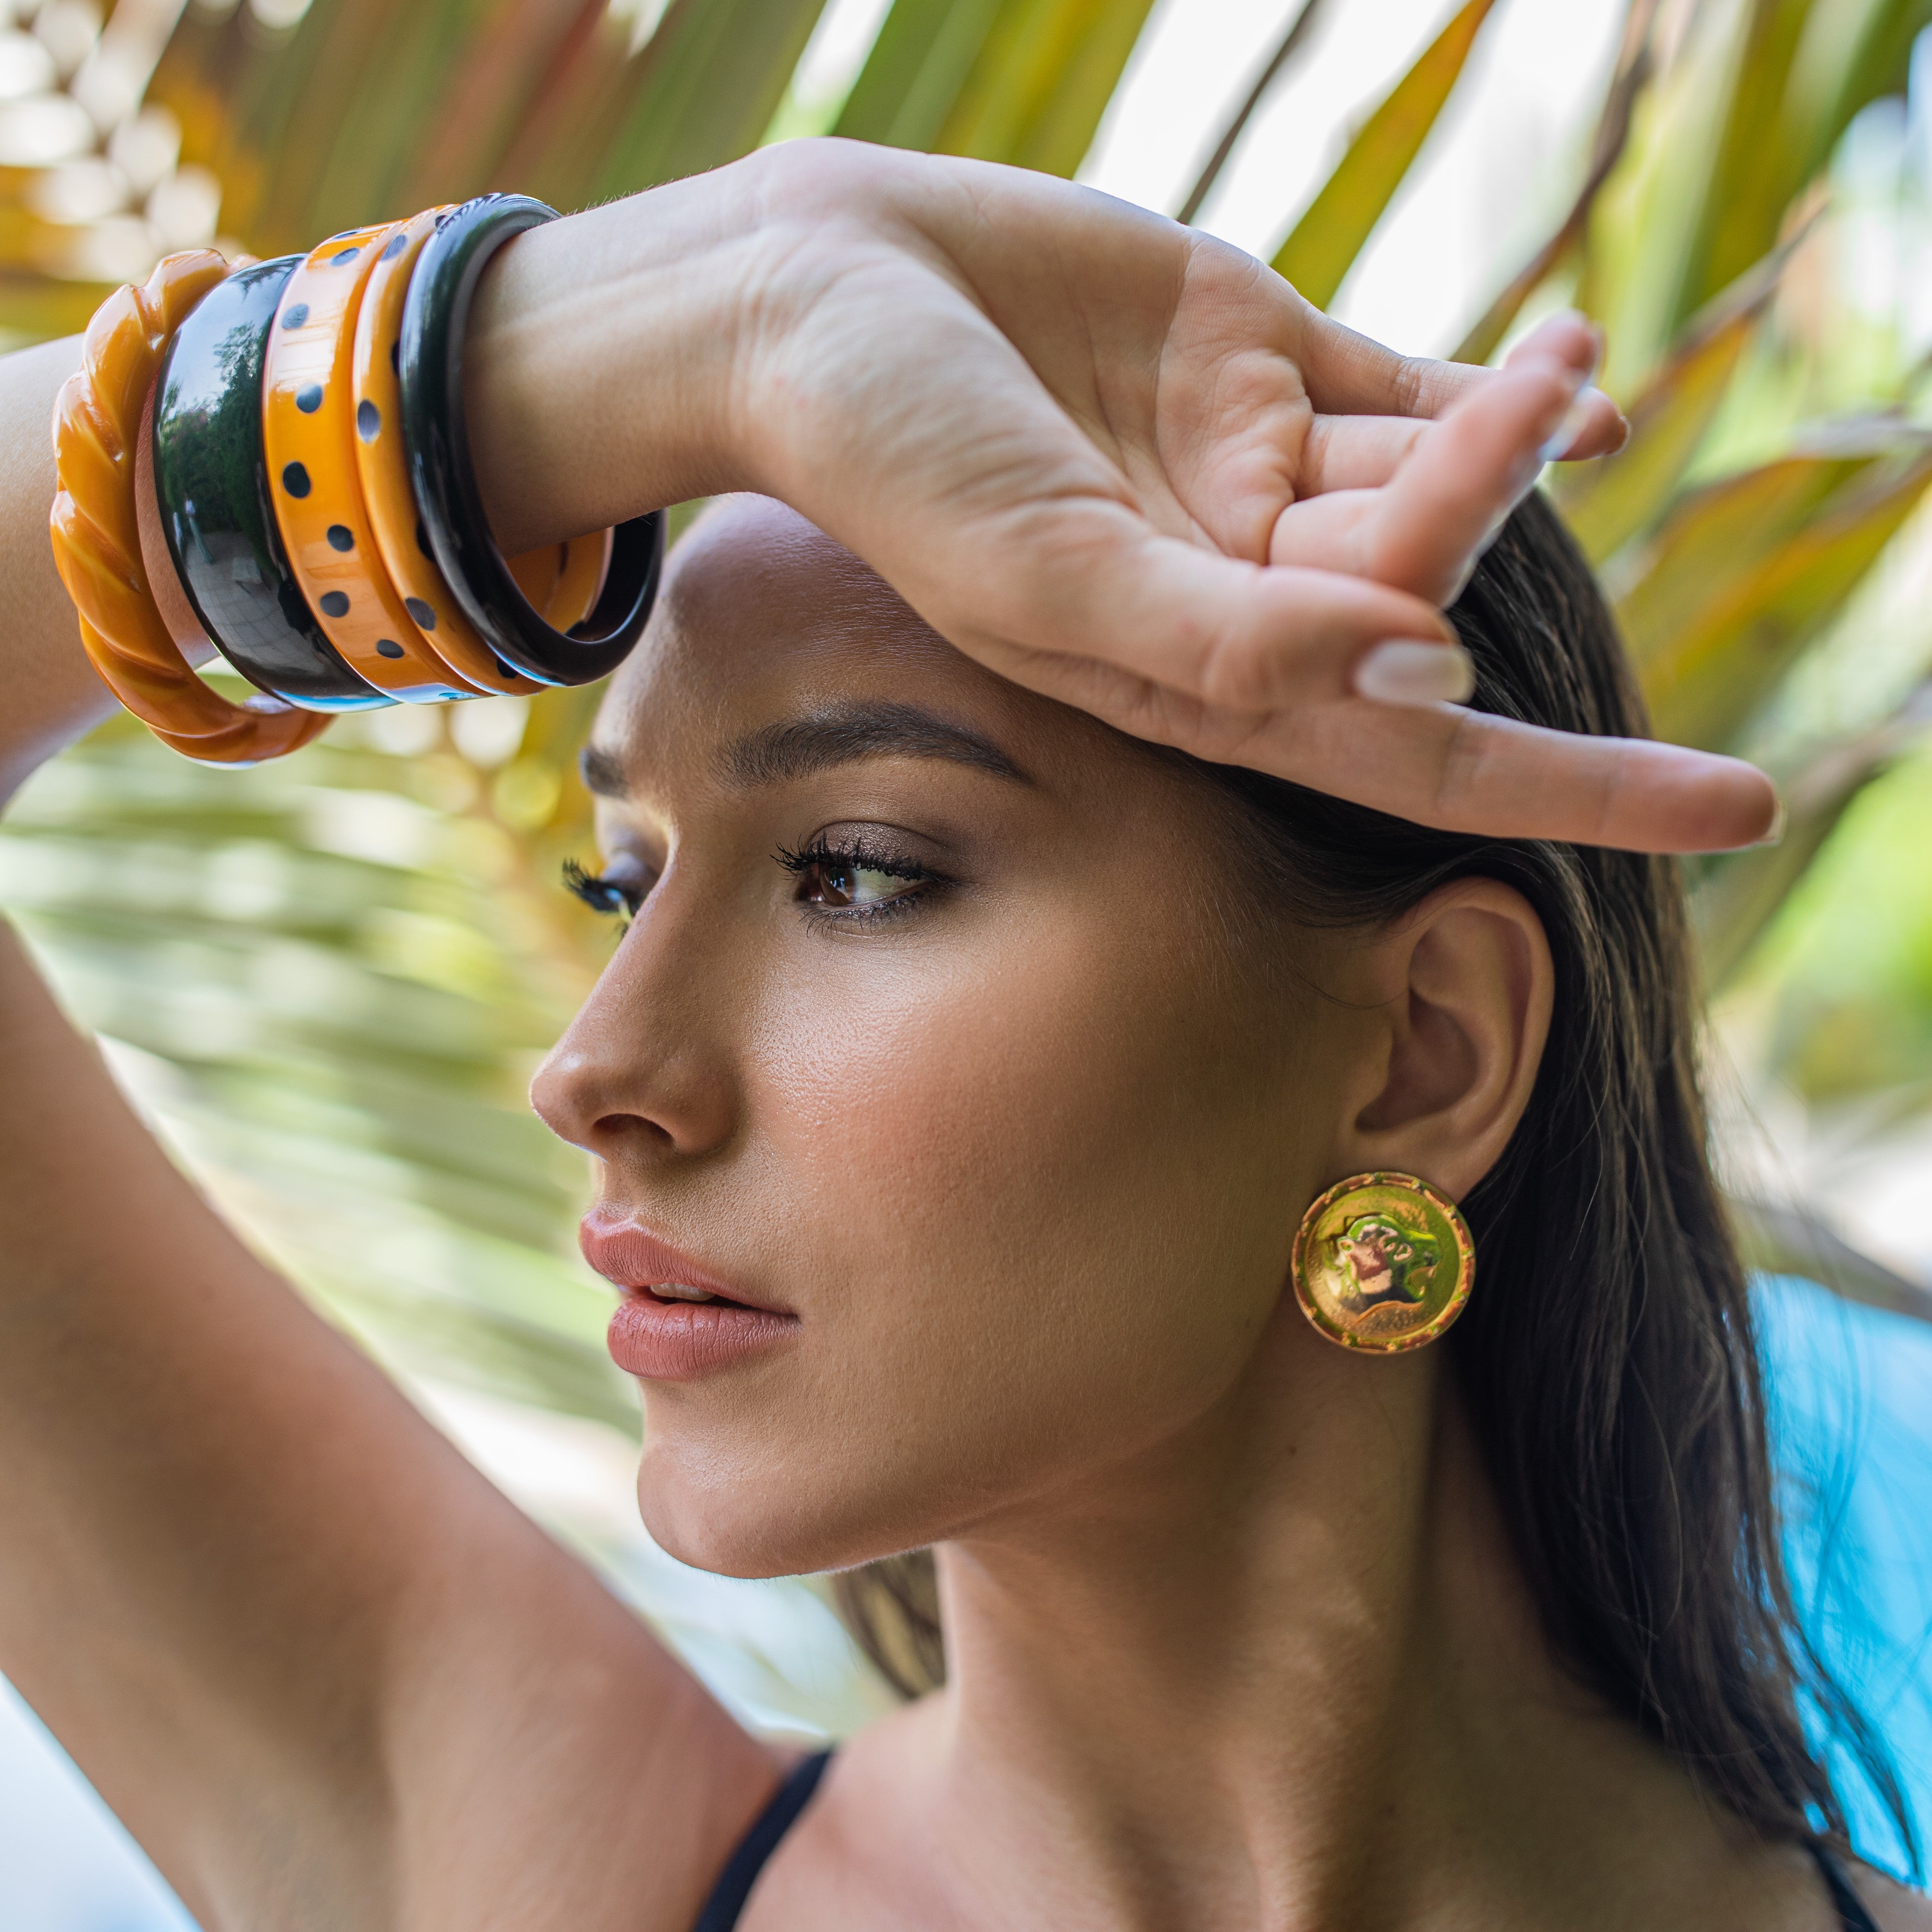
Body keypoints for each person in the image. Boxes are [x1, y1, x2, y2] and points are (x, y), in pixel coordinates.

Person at [1, 139, 1910, 1929]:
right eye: (622, 879)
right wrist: (624, 321)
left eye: (853, 868)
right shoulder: (526, 1855)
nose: (595, 1068)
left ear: (1423, 1052)